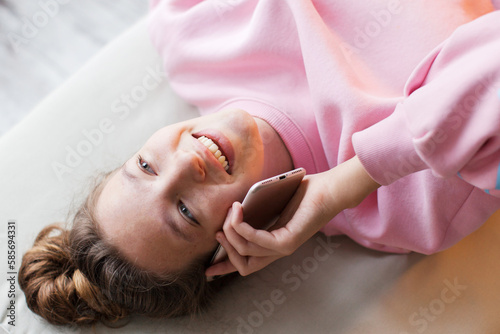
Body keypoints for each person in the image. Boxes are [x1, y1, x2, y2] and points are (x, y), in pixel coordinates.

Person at [19, 0, 500, 327]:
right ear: (232, 254)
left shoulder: (188, 34)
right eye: (186, 211)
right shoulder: (401, 208)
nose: (186, 164)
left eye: (145, 166)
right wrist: (354, 179)